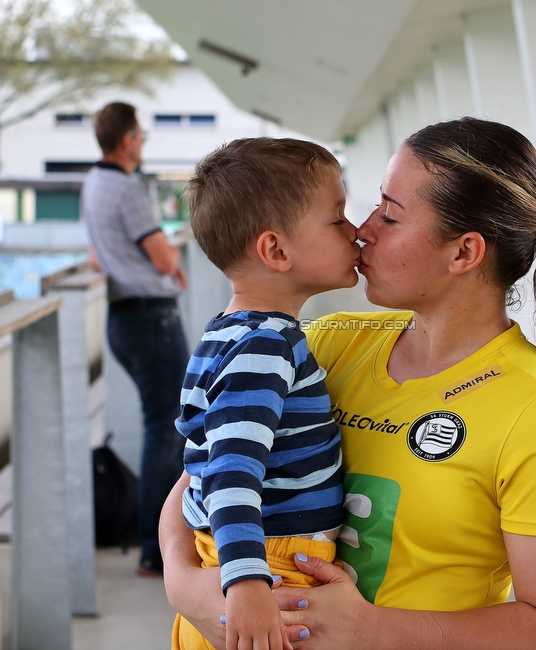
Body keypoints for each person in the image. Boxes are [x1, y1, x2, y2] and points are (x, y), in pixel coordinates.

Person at [162, 118, 536, 650]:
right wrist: (183, 582)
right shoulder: (327, 345)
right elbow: (205, 473)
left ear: (464, 253)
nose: (363, 229)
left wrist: (372, 630)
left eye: (391, 215)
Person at [173, 137, 361, 650]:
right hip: (271, 571)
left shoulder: (225, 334)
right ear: (276, 250)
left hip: (242, 560)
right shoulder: (267, 346)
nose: (357, 232)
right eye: (338, 218)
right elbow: (232, 473)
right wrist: (247, 584)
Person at [82, 101, 189, 576]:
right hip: (151, 318)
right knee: (167, 431)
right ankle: (155, 548)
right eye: (142, 137)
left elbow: (95, 255)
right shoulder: (126, 188)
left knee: (159, 427)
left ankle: (155, 541)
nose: (142, 144)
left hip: (122, 318)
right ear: (127, 139)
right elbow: (164, 259)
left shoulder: (92, 183)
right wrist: (174, 268)